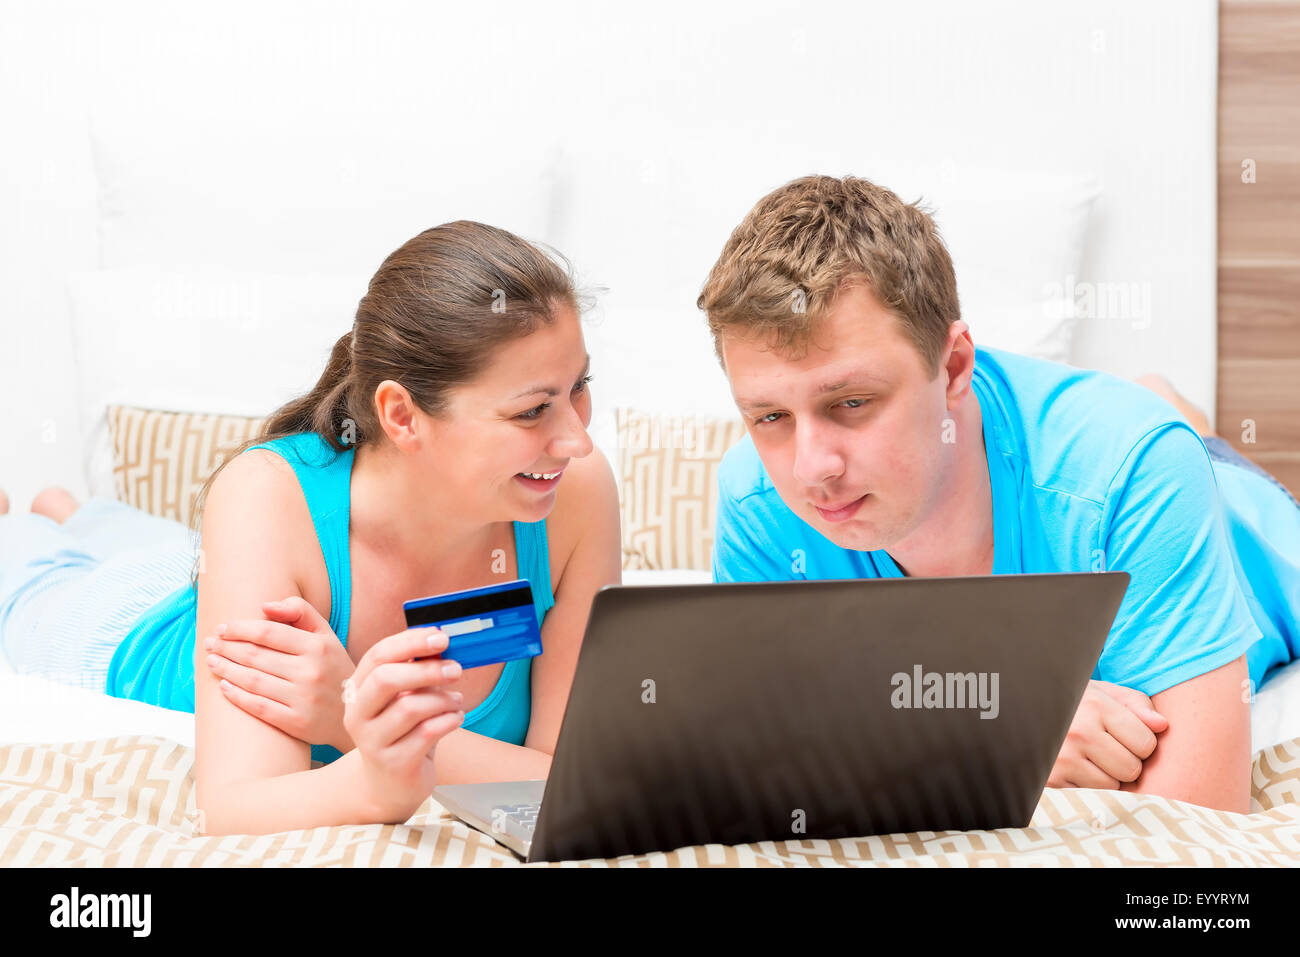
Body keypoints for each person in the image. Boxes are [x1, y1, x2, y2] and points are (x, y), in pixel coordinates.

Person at [698, 175, 1300, 815]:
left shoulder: (1138, 470)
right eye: (770, 417)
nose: (812, 469)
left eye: (851, 402)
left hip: (1246, 517)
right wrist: (998, 724)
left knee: (1183, 443)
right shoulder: (757, 499)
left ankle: (1182, 414)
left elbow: (1195, 828)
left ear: (955, 367)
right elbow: (760, 743)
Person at [0, 221, 622, 835]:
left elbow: (574, 780)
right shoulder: (264, 494)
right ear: (402, 416)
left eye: (580, 387)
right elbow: (234, 806)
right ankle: (33, 522)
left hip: (206, 568)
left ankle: (73, 511)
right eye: (533, 410)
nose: (578, 440)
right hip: (114, 628)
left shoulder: (572, 495)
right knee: (32, 564)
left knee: (152, 544)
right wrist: (369, 744)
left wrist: (348, 710)